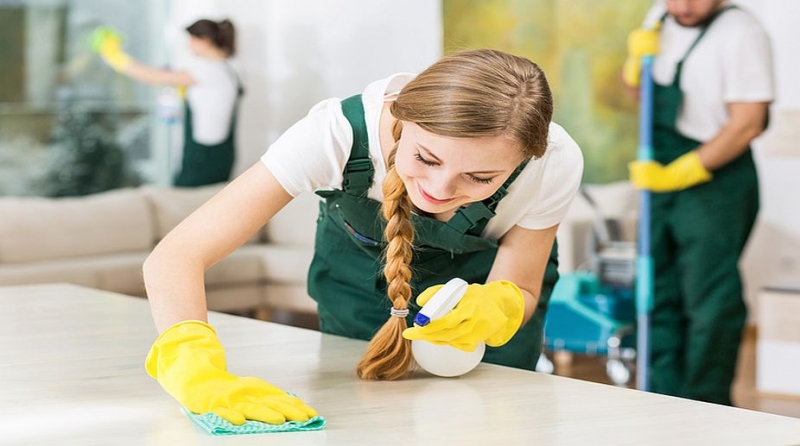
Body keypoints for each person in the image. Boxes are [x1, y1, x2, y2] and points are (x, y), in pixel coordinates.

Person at [142, 49, 584, 425]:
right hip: (358, 293)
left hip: (479, 316)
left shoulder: (554, 163)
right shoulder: (333, 133)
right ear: (399, 109)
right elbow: (177, 256)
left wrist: (498, 307)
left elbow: (523, 286)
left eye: (480, 177)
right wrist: (192, 367)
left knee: (495, 420)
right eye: (426, 158)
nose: (440, 189)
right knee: (363, 421)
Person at [624, 0, 774, 405]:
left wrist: (681, 173)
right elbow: (644, 96)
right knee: (658, 287)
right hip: (662, 168)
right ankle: (663, 398)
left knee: (708, 298)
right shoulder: (658, 16)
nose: (684, 6)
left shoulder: (741, 33)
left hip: (716, 180)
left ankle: (707, 403)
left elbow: (747, 123)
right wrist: (635, 65)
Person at [94, 19, 244, 187]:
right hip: (222, 151)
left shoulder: (208, 69)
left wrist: (115, 57)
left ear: (205, 41)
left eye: (192, 39)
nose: (189, 45)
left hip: (204, 154)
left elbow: (151, 77)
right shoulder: (229, 66)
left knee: (187, 200)